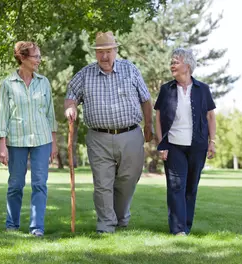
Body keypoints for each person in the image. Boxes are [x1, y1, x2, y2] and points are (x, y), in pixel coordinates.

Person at [64, 31, 153, 233]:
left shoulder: (130, 70)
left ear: (116, 50)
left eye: (108, 51)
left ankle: (121, 217)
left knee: (128, 179)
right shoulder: (85, 74)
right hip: (98, 137)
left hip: (130, 134)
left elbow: (145, 99)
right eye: (100, 52)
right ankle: (106, 225)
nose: (104, 56)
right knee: (103, 183)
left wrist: (149, 125)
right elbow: (71, 96)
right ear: (95, 53)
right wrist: (70, 107)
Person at [0, 41, 58, 237]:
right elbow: (3, 114)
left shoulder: (44, 82)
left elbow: (50, 114)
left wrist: (54, 142)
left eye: (39, 56)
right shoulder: (8, 84)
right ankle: (12, 224)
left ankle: (37, 227)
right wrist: (2, 145)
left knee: (40, 183)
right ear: (22, 58)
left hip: (42, 139)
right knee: (15, 185)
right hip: (16, 140)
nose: (39, 60)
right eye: (35, 56)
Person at [154, 48, 216, 236]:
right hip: (173, 145)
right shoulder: (167, 89)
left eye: (176, 61)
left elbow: (211, 117)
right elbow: (157, 118)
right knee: (175, 186)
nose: (172, 64)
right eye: (171, 62)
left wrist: (212, 141)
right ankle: (178, 229)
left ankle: (186, 226)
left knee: (191, 188)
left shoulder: (202, 89)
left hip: (197, 145)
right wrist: (161, 143)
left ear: (187, 65)